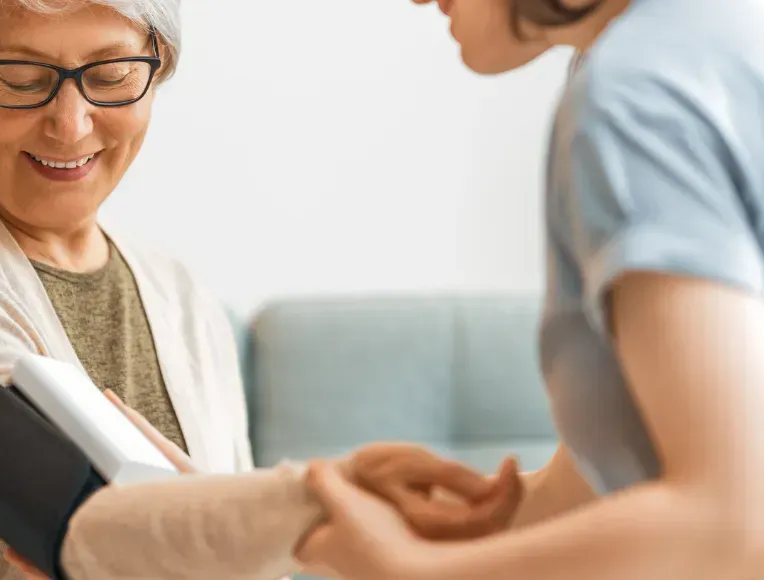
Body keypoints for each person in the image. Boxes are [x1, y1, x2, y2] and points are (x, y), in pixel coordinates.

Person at [0, 1, 523, 579]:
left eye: (111, 72)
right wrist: (324, 497)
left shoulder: (179, 296)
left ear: (157, 70)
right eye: (22, 76)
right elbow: (74, 527)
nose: (70, 121)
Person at [294, 0, 764, 578]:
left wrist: (410, 570)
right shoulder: (714, 37)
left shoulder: (633, 95)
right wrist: (482, 519)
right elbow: (612, 484)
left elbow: (729, 520)